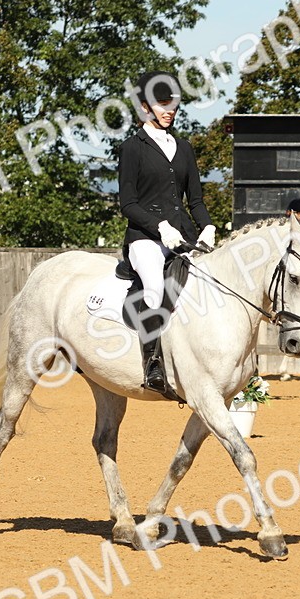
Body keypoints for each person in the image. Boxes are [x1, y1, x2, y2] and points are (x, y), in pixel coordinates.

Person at [118, 70, 215, 394]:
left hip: (182, 237)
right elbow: (128, 203)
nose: (169, 109)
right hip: (145, 238)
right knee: (156, 290)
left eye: (172, 103)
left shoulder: (184, 148)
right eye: (162, 104)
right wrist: (159, 227)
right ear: (146, 107)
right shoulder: (133, 148)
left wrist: (208, 226)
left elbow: (196, 200)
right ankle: (153, 366)